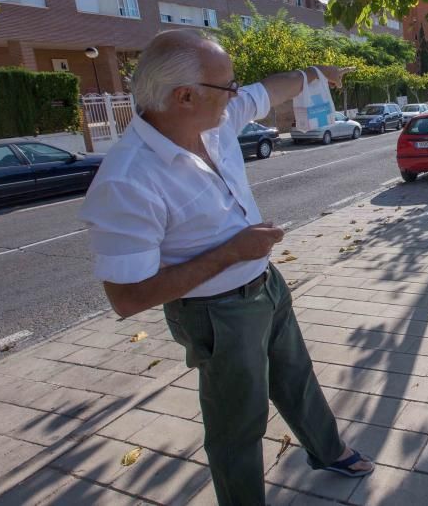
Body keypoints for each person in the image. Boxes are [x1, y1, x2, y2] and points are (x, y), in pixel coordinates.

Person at [78, 29, 373, 505]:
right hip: (215, 313)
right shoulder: (128, 180)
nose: (237, 95)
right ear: (185, 95)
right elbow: (127, 298)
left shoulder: (212, 119)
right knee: (238, 422)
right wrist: (230, 252)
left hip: (266, 285)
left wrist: (317, 75)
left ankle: (329, 450)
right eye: (228, 86)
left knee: (297, 376)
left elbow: (268, 90)